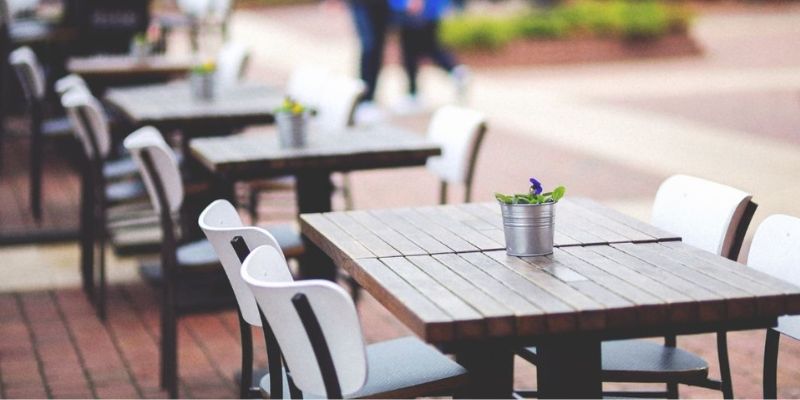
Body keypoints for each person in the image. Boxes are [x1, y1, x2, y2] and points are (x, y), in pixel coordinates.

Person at [391, 0, 469, 113]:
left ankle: (413, 94)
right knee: (430, 48)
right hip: (429, 11)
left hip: (417, 11)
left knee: (411, 53)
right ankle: (456, 71)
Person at [348, 0, 390, 121]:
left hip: (382, 5)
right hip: (361, 4)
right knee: (369, 45)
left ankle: (371, 99)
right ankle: (363, 99)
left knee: (378, 49)